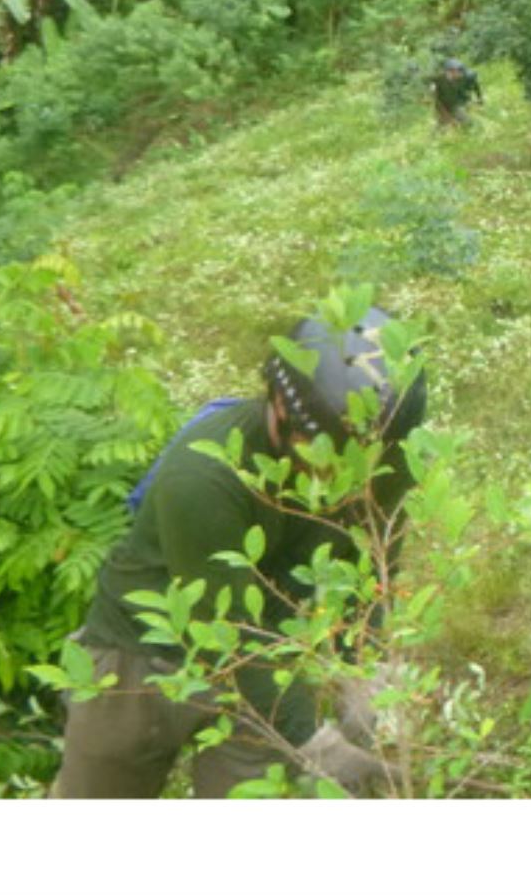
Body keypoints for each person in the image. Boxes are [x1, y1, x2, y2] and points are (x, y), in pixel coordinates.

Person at [52, 308, 428, 798]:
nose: (333, 478)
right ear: (276, 404)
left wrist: (365, 669)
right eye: (317, 453)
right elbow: (226, 633)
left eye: (355, 463)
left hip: (272, 653)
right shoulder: (203, 474)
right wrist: (316, 744)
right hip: (142, 655)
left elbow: (372, 572)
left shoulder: (389, 459)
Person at [430, 57, 482, 128]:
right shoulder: (439, 80)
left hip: (455, 104)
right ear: (450, 71)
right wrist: (447, 116)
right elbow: (437, 101)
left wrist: (475, 100)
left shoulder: (460, 78)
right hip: (443, 106)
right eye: (457, 71)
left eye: (460, 71)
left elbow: (465, 91)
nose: (460, 74)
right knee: (443, 126)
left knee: (466, 121)